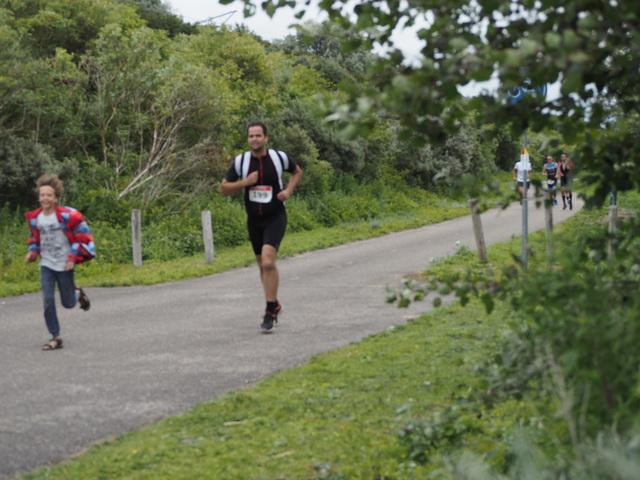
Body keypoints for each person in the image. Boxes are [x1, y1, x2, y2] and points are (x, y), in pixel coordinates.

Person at [220, 121, 303, 331]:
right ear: (248, 139)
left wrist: (289, 191)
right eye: (251, 136)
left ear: (266, 138)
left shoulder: (278, 158)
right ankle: (274, 302)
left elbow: (297, 172)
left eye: (258, 136)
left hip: (275, 216)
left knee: (268, 262)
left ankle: (269, 311)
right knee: (262, 265)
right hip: (254, 220)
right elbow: (223, 189)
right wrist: (244, 183)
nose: (254, 139)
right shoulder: (241, 162)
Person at [25, 174, 96, 350]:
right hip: (47, 264)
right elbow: (35, 239)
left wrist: (73, 257)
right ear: (39, 197)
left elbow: (80, 238)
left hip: (65, 264)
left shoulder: (66, 216)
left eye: (49, 195)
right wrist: (32, 252)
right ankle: (55, 337)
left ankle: (77, 293)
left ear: (56, 198)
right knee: (47, 299)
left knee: (68, 303)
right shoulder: (36, 219)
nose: (45, 198)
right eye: (42, 195)